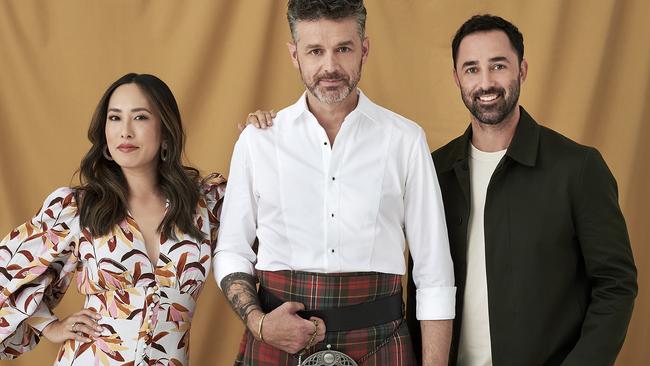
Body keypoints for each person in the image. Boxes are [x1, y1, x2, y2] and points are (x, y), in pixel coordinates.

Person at [215, 0, 456, 365]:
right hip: (276, 343)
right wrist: (259, 323)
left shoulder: (405, 140)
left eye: (344, 48)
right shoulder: (258, 140)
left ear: (365, 50)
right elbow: (232, 248)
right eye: (315, 51)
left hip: (379, 341)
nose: (330, 66)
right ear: (295, 55)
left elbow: (434, 272)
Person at [406, 14, 637, 365]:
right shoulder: (434, 171)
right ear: (456, 78)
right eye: (471, 69)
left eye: (498, 66)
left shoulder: (578, 168)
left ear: (522, 69)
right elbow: (421, 285)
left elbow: (616, 285)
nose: (485, 82)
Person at [0, 73, 226, 365]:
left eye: (141, 117)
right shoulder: (77, 208)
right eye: (115, 118)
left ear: (166, 130)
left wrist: (263, 137)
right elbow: (6, 271)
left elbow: (274, 218)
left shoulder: (206, 204)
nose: (125, 131)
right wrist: (50, 326)